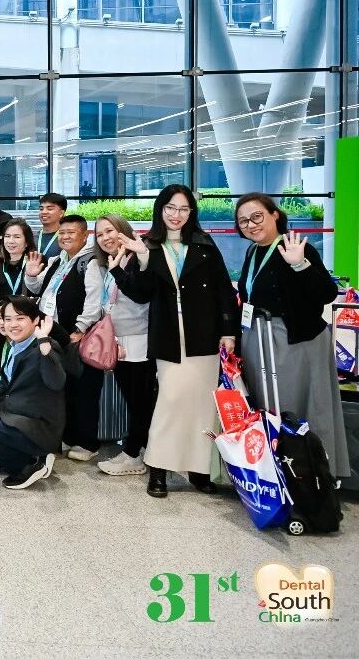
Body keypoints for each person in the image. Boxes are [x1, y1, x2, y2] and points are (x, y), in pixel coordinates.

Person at [111, 184, 238, 498]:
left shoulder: (204, 243)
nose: (176, 215)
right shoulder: (149, 245)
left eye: (183, 209)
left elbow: (223, 290)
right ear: (161, 209)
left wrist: (228, 331)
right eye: (170, 208)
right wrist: (139, 260)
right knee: (170, 402)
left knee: (203, 406)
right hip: (168, 335)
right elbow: (141, 293)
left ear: (191, 212)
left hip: (204, 336)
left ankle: (199, 470)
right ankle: (158, 468)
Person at [234, 193, 349, 479]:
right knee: (266, 407)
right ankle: (275, 473)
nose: (251, 224)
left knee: (298, 408)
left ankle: (310, 475)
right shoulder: (252, 252)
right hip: (259, 339)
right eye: (244, 221)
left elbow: (326, 293)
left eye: (257, 216)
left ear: (275, 215)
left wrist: (300, 265)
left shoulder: (296, 247)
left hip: (295, 341)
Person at [0, 298, 64, 490]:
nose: (12, 324)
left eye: (20, 318)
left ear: (35, 320)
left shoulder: (46, 346)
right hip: (13, 416)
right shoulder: (16, 346)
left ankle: (29, 466)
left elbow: (56, 381)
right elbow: (4, 383)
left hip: (36, 425)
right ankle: (31, 457)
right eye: (8, 319)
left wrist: (43, 342)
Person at [24, 214, 103, 462]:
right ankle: (68, 435)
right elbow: (39, 289)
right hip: (54, 334)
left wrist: (80, 328)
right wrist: (31, 275)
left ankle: (88, 442)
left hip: (77, 336)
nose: (65, 237)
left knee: (85, 389)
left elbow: (94, 301)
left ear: (85, 235)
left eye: (71, 232)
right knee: (63, 387)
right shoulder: (58, 261)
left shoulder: (90, 262)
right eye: (62, 232)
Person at [90, 215, 155, 478]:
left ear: (123, 230)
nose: (105, 238)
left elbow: (141, 295)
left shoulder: (136, 258)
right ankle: (138, 449)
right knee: (132, 399)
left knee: (141, 401)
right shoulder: (110, 262)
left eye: (110, 231)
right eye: (99, 234)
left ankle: (133, 454)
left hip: (139, 339)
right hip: (118, 340)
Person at [0, 219, 36, 305]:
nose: (11, 241)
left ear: (27, 241)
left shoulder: (36, 262)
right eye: (7, 236)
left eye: (17, 237)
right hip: (4, 312)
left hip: (27, 311)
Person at [36, 192, 67, 260]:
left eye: (49, 209)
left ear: (61, 213)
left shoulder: (66, 238)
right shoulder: (32, 238)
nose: (44, 212)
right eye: (41, 209)